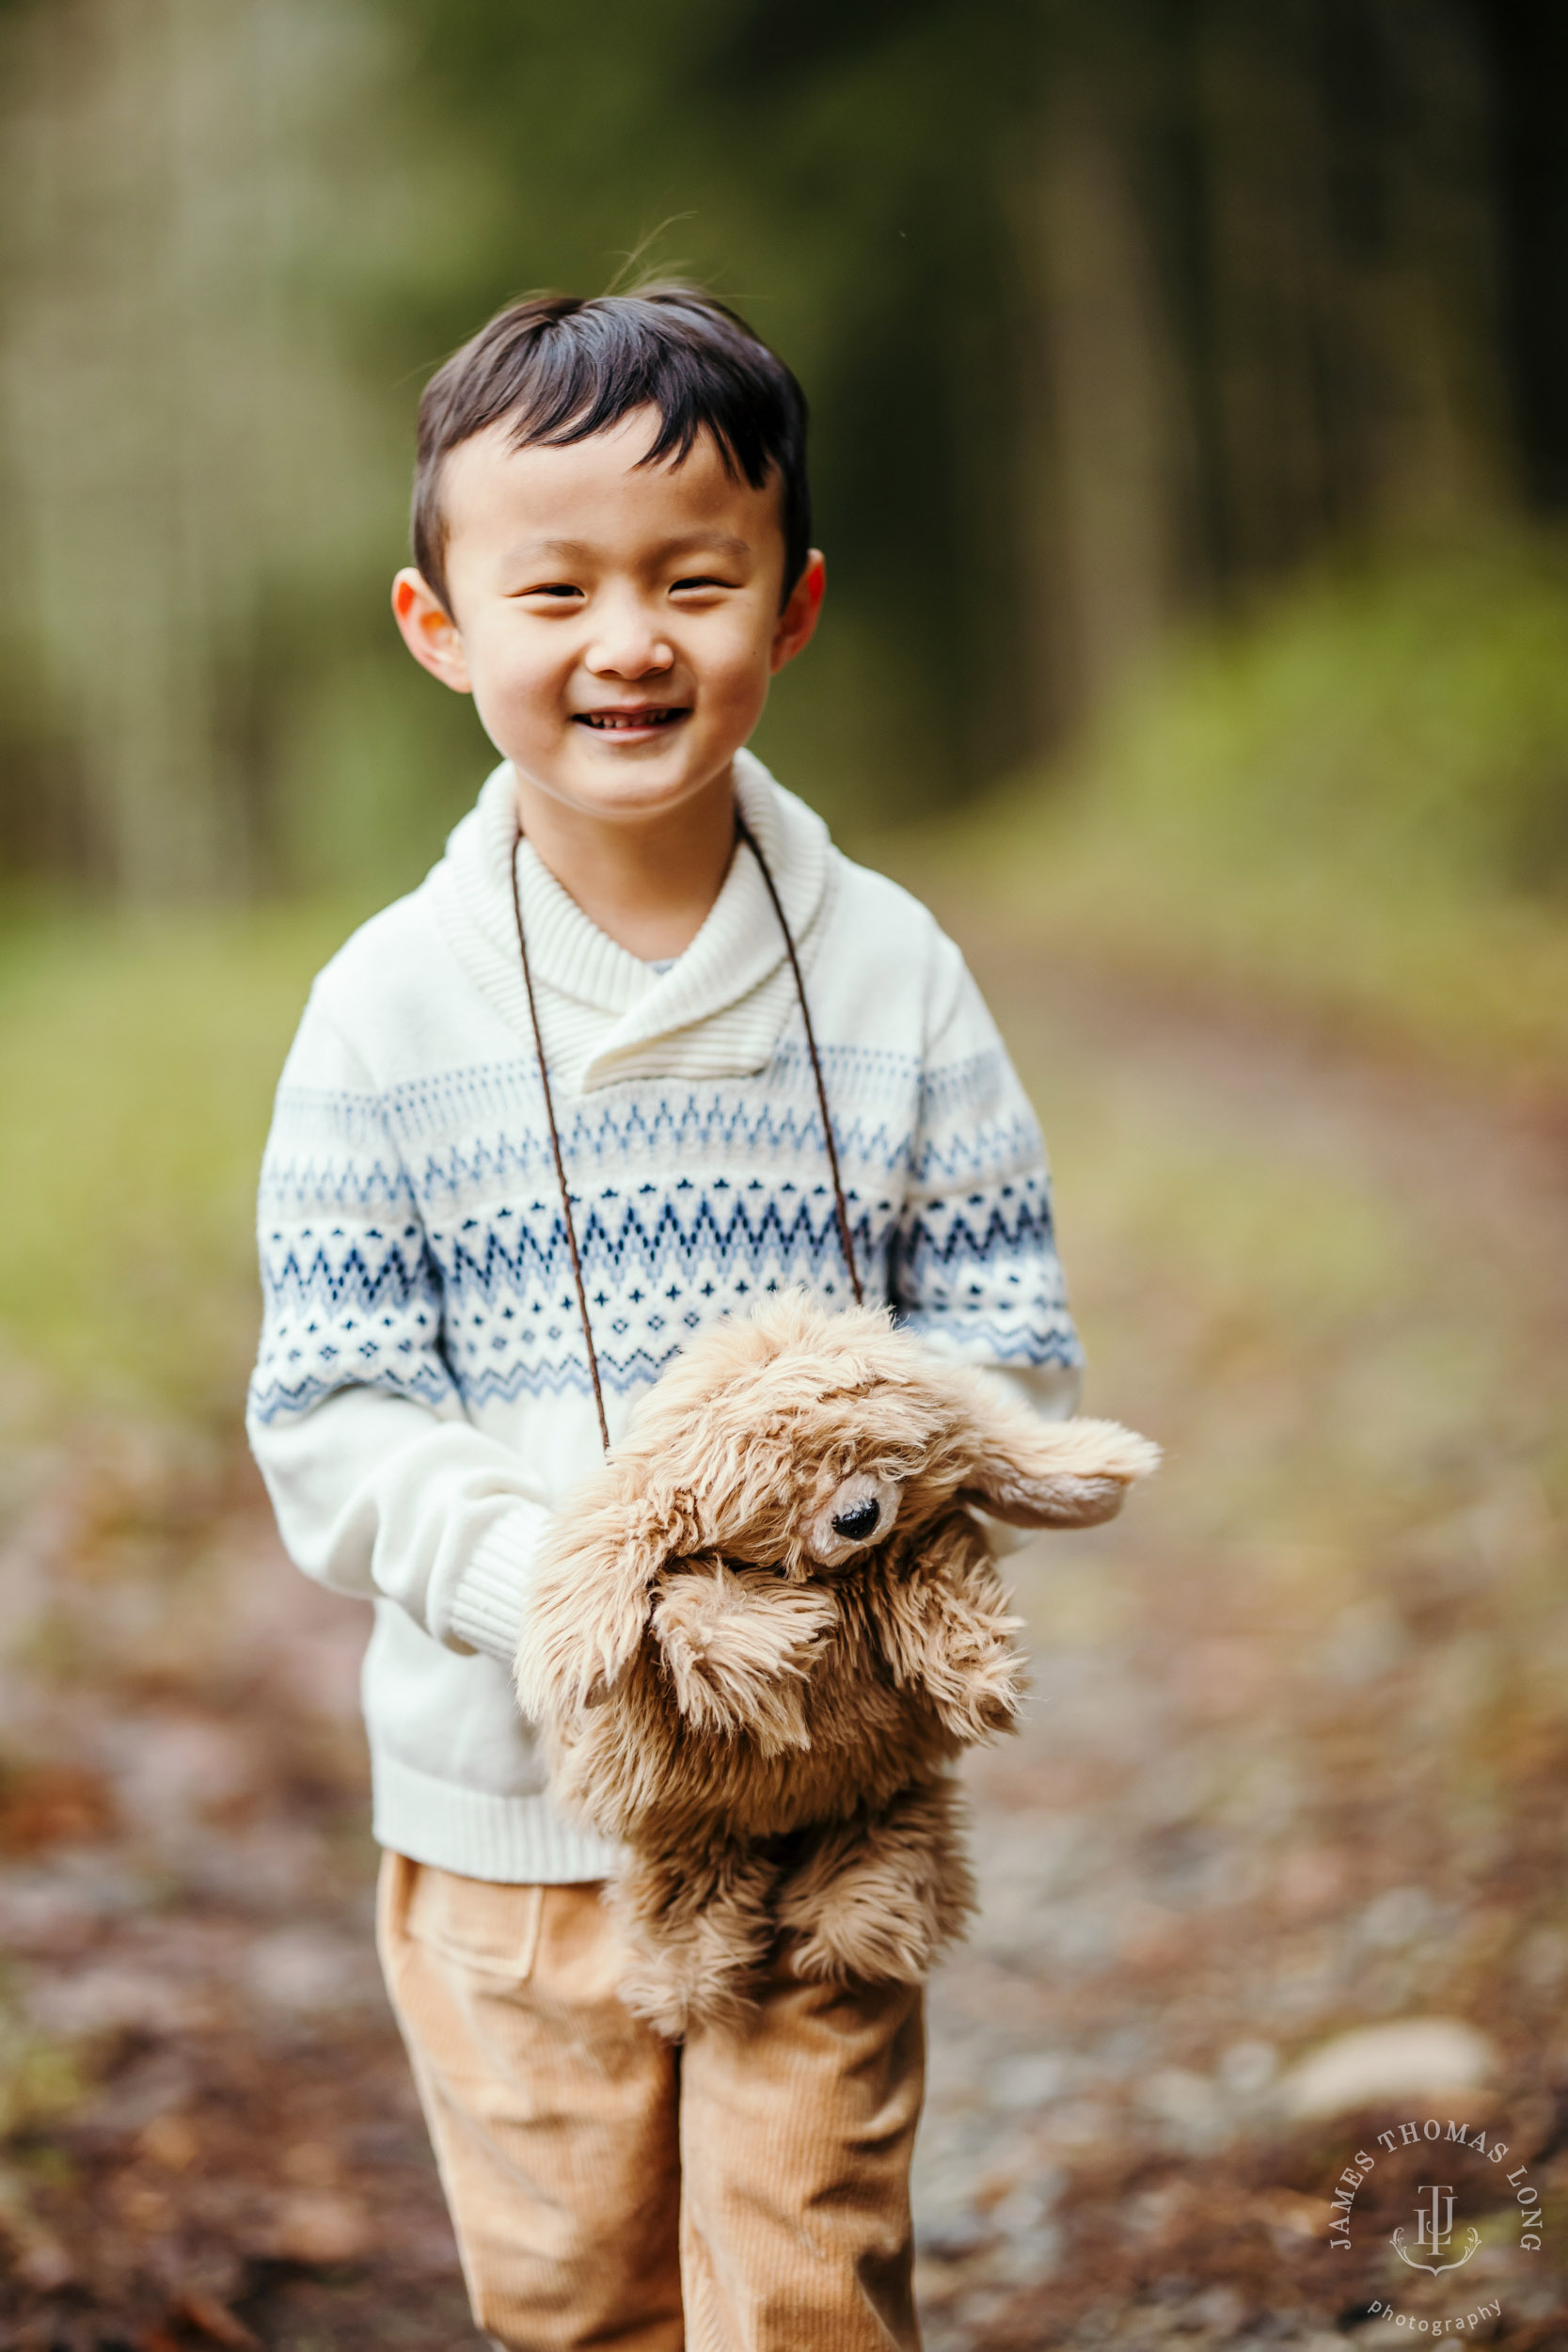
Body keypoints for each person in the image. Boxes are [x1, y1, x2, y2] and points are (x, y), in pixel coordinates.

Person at [246, 284, 1083, 2352]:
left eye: (692, 578)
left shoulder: (890, 972)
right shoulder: (385, 1008)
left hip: (828, 1807)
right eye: (557, 587)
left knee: (808, 2281)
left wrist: (872, 1498)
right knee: (570, 2297)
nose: (629, 637)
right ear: (442, 625)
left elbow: (1011, 1336)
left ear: (787, 611)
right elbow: (331, 1406)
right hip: (505, 1817)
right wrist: (561, 1580)